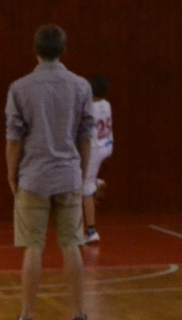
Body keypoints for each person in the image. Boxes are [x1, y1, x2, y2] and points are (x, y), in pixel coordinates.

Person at [5, 23, 94, 320]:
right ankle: (80, 315)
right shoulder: (81, 86)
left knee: (33, 246)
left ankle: (26, 317)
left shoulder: (20, 88)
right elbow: (86, 135)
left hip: (34, 176)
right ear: (63, 49)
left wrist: (11, 174)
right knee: (72, 244)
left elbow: (14, 139)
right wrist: (81, 172)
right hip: (68, 175)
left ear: (36, 50)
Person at [81, 76, 113, 244]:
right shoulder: (106, 104)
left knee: (85, 190)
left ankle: (91, 230)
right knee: (82, 177)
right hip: (107, 145)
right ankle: (96, 182)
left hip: (95, 149)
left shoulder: (89, 108)